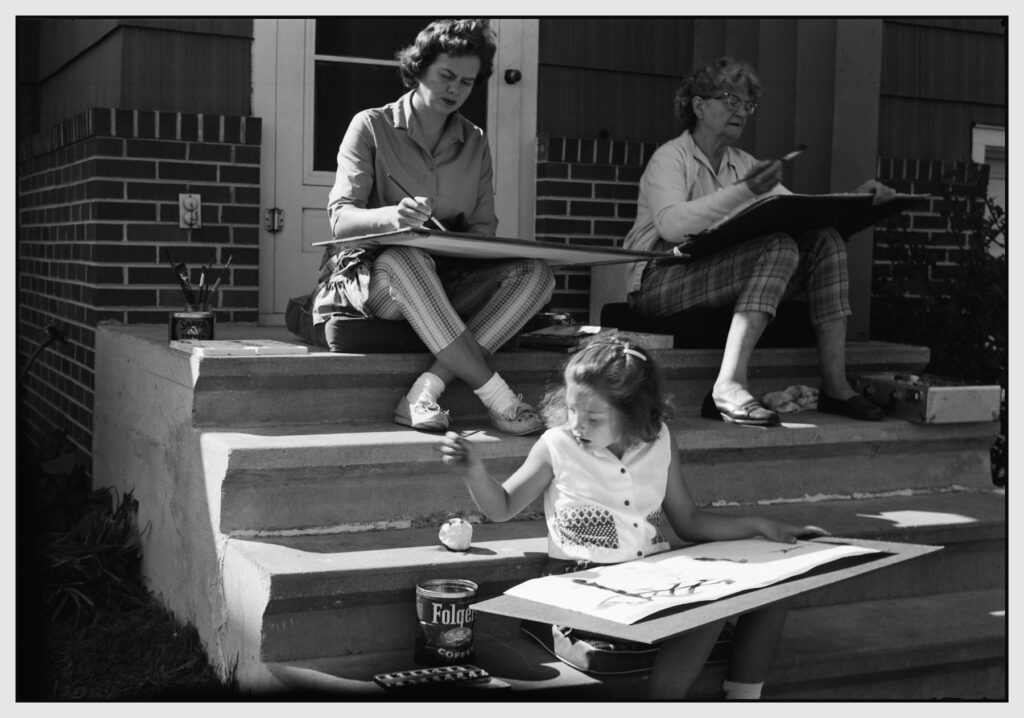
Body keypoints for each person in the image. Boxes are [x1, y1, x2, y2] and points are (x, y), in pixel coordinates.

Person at [439, 335, 828, 699]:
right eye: (573, 409)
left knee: (778, 587)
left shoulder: (660, 440)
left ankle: (744, 696)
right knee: (708, 612)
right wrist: (474, 471)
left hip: (655, 578)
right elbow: (502, 507)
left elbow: (688, 520)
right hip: (585, 582)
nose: (577, 424)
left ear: (631, 412)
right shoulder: (556, 445)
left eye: (592, 416)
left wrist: (762, 527)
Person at [623, 57, 894, 426]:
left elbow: (798, 216)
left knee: (825, 241)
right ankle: (729, 385)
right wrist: (744, 192)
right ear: (698, 106)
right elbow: (673, 227)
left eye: (747, 104)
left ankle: (835, 386)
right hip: (658, 280)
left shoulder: (745, 163)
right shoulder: (670, 158)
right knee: (778, 246)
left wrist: (854, 202)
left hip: (717, 275)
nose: (742, 111)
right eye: (730, 100)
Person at [314, 18, 554, 436]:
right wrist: (395, 217)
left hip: (448, 278)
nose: (455, 89)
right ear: (419, 68)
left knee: (536, 275)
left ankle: (425, 390)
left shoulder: (475, 141)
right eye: (446, 75)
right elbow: (340, 219)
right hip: (374, 278)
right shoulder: (370, 125)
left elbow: (483, 232)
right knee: (407, 258)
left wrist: (459, 247)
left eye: (466, 81)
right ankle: (500, 399)